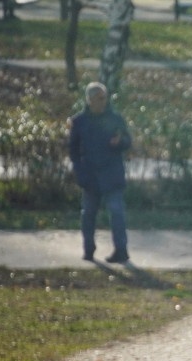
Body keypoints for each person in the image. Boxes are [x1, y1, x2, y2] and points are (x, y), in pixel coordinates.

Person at [69, 82, 133, 265]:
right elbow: (73, 151)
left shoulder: (116, 119)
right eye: (99, 98)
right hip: (90, 175)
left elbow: (128, 141)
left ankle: (121, 251)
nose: (103, 102)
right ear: (89, 100)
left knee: (117, 212)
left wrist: (120, 142)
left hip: (112, 174)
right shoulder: (79, 122)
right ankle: (88, 249)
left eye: (105, 98)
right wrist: (79, 172)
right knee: (88, 213)